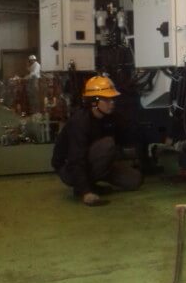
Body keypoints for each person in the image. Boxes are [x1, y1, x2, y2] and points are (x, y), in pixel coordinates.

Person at [51, 76, 143, 206]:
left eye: (112, 99)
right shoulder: (80, 122)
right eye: (107, 99)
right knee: (108, 144)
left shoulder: (109, 117)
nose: (112, 103)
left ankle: (91, 184)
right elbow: (76, 159)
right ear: (94, 102)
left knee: (134, 180)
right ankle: (83, 187)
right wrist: (86, 192)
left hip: (94, 161)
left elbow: (127, 137)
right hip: (69, 168)